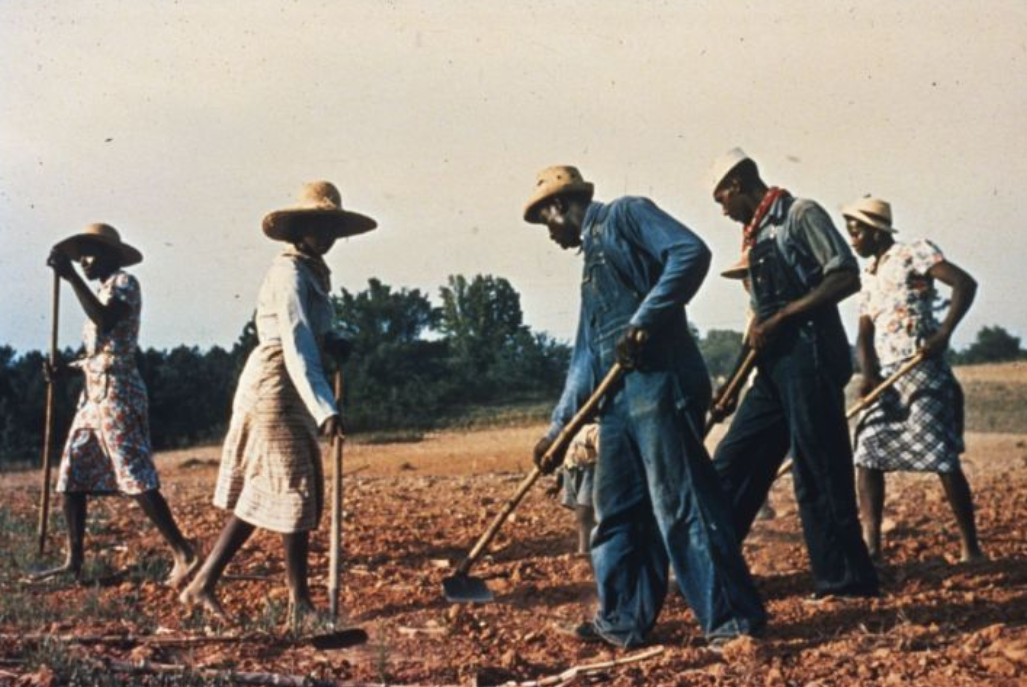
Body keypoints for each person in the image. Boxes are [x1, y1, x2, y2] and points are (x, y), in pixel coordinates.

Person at [524, 165, 766, 649]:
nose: (548, 235)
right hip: (618, 401)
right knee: (617, 512)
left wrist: (646, 319)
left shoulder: (625, 215)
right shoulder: (591, 262)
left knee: (682, 505)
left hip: (662, 382)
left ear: (558, 206)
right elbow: (586, 356)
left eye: (545, 222)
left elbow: (689, 252)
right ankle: (621, 622)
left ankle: (733, 623)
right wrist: (558, 431)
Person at [179, 181, 374, 630]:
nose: (324, 234)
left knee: (273, 488)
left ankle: (203, 582)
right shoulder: (288, 273)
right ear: (298, 227)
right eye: (316, 225)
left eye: (331, 227)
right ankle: (299, 602)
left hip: (291, 386)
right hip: (276, 384)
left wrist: (335, 340)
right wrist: (326, 406)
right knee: (294, 487)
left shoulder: (312, 271)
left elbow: (315, 333)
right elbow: (296, 341)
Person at [708, 148, 879, 599]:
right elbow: (757, 320)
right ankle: (710, 566)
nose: (722, 209)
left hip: (811, 356)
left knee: (818, 470)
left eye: (721, 197)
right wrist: (729, 384)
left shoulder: (800, 215)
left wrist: (785, 316)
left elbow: (845, 276)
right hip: (773, 368)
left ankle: (847, 581)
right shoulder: (755, 233)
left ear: (738, 183)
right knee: (733, 461)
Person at [36, 223, 197, 586]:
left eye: (91, 254)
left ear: (111, 255)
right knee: (72, 472)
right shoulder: (101, 290)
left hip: (119, 393)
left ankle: (184, 552)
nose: (85, 261)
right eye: (81, 257)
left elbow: (106, 321)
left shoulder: (125, 284)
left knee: (133, 473)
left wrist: (71, 277)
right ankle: (73, 561)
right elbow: (98, 352)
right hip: (92, 396)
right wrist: (67, 368)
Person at [843, 195, 984, 563]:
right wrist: (868, 375)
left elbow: (964, 284)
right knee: (867, 451)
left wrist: (943, 335)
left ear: (876, 232)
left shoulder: (913, 253)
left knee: (942, 455)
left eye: (857, 231)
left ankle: (971, 547)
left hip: (921, 368)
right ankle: (872, 548)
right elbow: (863, 333)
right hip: (886, 376)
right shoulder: (867, 276)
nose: (852, 239)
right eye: (850, 232)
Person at [554, 422, 598, 556]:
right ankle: (587, 545)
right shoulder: (575, 431)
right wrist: (558, 482)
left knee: (584, 511)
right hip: (573, 469)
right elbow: (568, 455)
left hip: (591, 469)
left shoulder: (597, 430)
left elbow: (607, 454)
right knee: (582, 513)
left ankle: (585, 549)